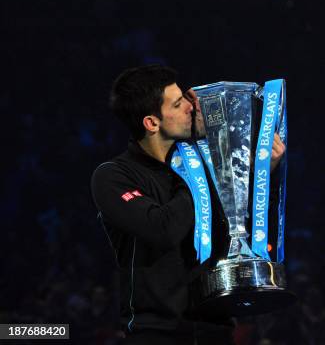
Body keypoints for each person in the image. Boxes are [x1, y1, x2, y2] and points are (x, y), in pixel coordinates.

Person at [90, 65, 286, 344]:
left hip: (217, 330)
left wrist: (261, 173)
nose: (191, 108)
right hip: (157, 334)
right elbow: (162, 229)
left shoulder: (210, 165)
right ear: (151, 123)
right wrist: (202, 172)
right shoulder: (114, 176)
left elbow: (241, 232)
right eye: (178, 103)